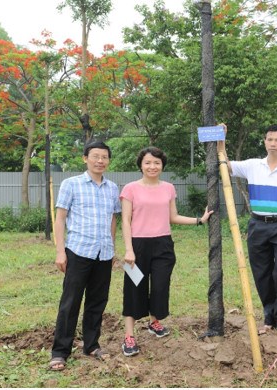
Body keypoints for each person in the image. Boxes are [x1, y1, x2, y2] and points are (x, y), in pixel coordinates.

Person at [217, 124, 277, 337]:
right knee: (262, 273)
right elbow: (225, 165)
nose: (273, 143)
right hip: (257, 225)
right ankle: (269, 317)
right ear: (265, 141)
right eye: (270, 139)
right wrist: (221, 140)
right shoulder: (252, 165)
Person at [120, 146, 213, 357]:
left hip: (163, 245)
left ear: (162, 165)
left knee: (161, 287)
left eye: (156, 163)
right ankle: (129, 336)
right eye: (148, 162)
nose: (152, 166)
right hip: (137, 245)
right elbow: (126, 220)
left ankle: (155, 323)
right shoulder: (130, 188)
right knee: (134, 289)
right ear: (141, 165)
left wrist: (199, 220)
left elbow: (173, 217)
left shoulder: (169, 188)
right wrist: (128, 249)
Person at [48, 141, 121, 371]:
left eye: (104, 157)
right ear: (85, 159)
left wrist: (112, 247)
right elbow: (60, 219)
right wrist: (60, 251)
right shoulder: (71, 184)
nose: (100, 161)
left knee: (97, 302)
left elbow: (113, 219)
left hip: (104, 253)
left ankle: (91, 345)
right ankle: (60, 351)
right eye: (95, 156)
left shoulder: (112, 188)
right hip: (78, 250)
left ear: (108, 161)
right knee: (70, 303)